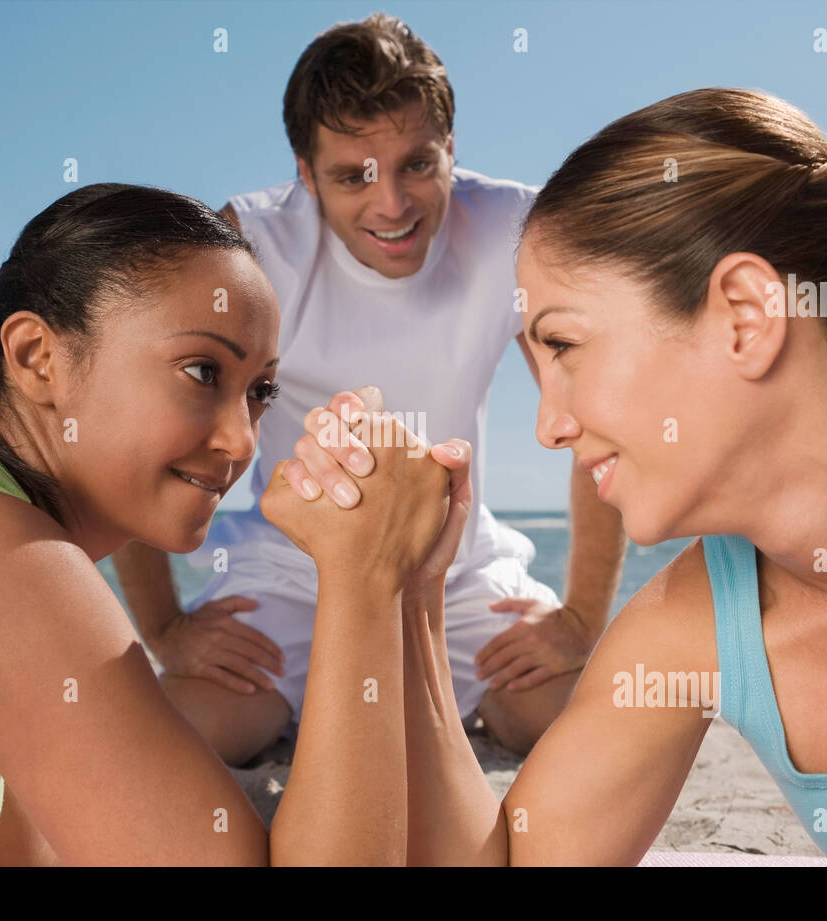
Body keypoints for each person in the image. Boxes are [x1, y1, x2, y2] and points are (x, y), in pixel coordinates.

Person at [281, 88, 827, 865]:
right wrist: (411, 590)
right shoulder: (690, 630)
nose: (549, 425)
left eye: (563, 345)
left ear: (745, 317)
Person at [0, 182, 469, 866]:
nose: (243, 442)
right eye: (203, 372)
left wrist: (411, 585)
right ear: (36, 356)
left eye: (261, 393)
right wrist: (363, 576)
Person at [113, 13, 626, 765]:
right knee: (176, 747)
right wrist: (163, 627)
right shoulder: (247, 249)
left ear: (451, 148)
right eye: (353, 175)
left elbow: (599, 416)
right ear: (304, 172)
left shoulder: (520, 231)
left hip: (461, 573)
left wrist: (581, 617)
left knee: (588, 735)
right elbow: (137, 425)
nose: (391, 204)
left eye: (417, 164)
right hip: (289, 577)